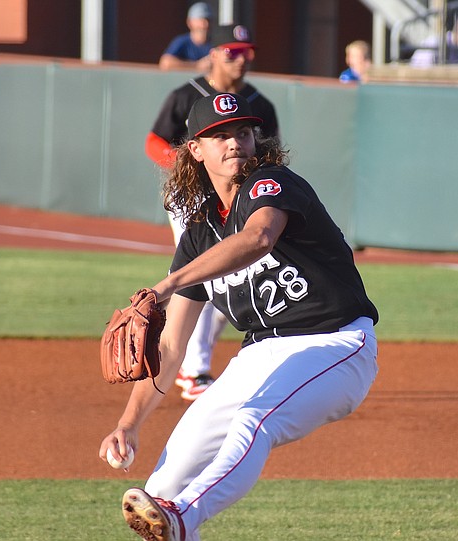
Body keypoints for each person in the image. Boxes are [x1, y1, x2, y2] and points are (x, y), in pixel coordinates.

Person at [100, 92, 379, 541]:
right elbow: (172, 347)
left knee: (255, 421)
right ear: (195, 150)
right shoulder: (199, 232)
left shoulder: (272, 184)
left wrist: (167, 285)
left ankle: (184, 519)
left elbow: (259, 238)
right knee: (157, 491)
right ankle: (175, 522)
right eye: (220, 135)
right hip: (260, 356)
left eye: (243, 133)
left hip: (336, 344)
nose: (235, 142)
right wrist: (128, 425)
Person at [145, 23, 280, 401]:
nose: (240, 59)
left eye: (246, 51)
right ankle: (194, 369)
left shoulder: (260, 104)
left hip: (241, 194)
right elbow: (153, 142)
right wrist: (192, 166)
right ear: (214, 54)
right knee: (204, 271)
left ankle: (195, 364)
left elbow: (270, 158)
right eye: (232, 51)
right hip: (193, 197)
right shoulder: (185, 94)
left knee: (236, 272)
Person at [159, 2, 213, 72]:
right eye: (201, 20)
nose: (205, 24)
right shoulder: (182, 42)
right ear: (189, 22)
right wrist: (196, 66)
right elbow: (165, 63)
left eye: (208, 20)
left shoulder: (214, 45)